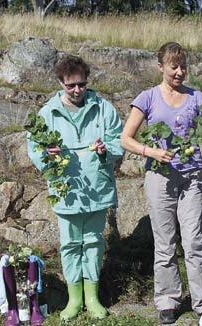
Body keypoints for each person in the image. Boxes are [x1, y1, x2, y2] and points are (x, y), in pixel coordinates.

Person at [121, 41, 202, 324]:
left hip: (192, 176)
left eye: (184, 66)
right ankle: (168, 300)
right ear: (160, 67)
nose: (180, 72)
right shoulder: (147, 98)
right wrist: (152, 152)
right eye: (174, 66)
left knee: (194, 239)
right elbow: (126, 139)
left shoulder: (198, 98)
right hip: (159, 177)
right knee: (165, 241)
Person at [27, 55, 124, 321]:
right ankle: (74, 299)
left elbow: (119, 140)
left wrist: (107, 150)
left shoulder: (103, 108)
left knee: (94, 242)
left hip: (96, 188)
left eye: (81, 84)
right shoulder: (48, 113)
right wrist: (47, 152)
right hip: (66, 190)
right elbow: (34, 148)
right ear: (61, 83)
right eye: (71, 86)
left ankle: (92, 298)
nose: (77, 90)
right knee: (70, 244)